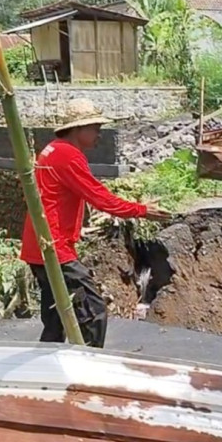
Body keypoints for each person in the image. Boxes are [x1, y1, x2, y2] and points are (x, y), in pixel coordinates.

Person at [19, 98, 170, 347]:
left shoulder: (53, 149)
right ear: (79, 129)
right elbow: (100, 199)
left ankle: (48, 360)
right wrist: (142, 210)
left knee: (56, 316)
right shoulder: (68, 156)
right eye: (96, 128)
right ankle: (90, 360)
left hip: (40, 246)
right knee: (94, 309)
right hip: (55, 249)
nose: (99, 134)